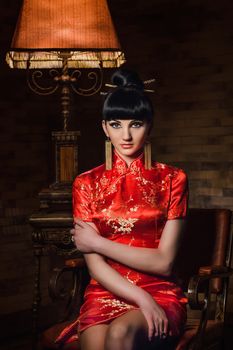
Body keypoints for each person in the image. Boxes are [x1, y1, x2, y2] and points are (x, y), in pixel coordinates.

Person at [56, 69, 189, 350]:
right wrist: (140, 299)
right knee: (96, 343)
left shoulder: (172, 178)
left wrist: (96, 242)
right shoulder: (86, 183)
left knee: (119, 334)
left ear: (149, 125)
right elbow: (95, 267)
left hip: (158, 290)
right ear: (104, 128)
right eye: (116, 124)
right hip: (103, 292)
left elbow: (164, 262)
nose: (126, 135)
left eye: (136, 124)